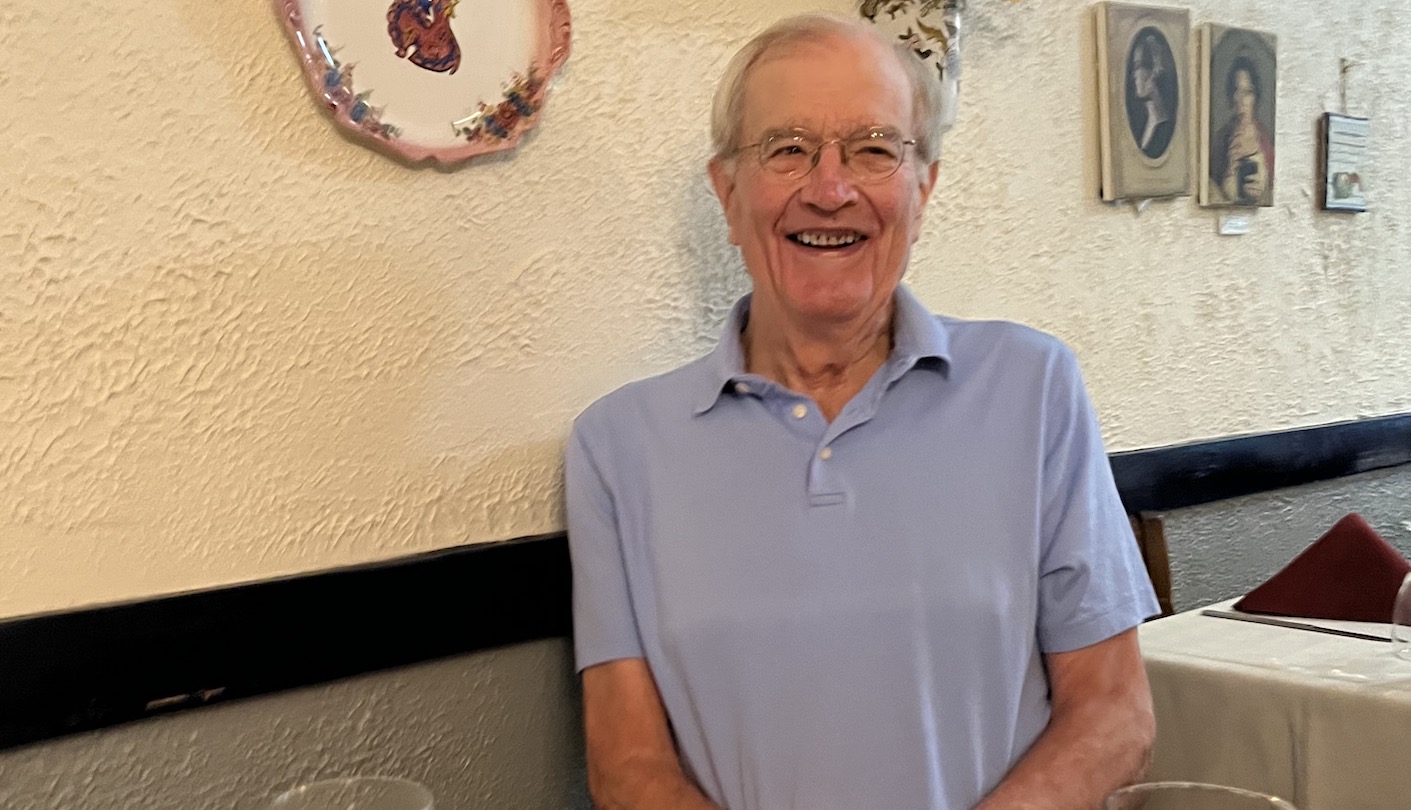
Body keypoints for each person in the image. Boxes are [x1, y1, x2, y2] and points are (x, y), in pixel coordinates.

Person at [566, 13, 1158, 810]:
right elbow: (627, 764)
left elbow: (1114, 712)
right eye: (787, 150)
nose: (830, 188)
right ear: (727, 192)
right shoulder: (615, 447)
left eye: (874, 149)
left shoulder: (1034, 388)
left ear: (924, 187)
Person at [1210, 56, 1274, 205]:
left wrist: (1261, 187)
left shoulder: (1265, 140)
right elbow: (1214, 186)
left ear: (1255, 97)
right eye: (1237, 91)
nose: (1242, 100)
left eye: (1248, 92)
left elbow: (1270, 187)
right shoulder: (1222, 138)